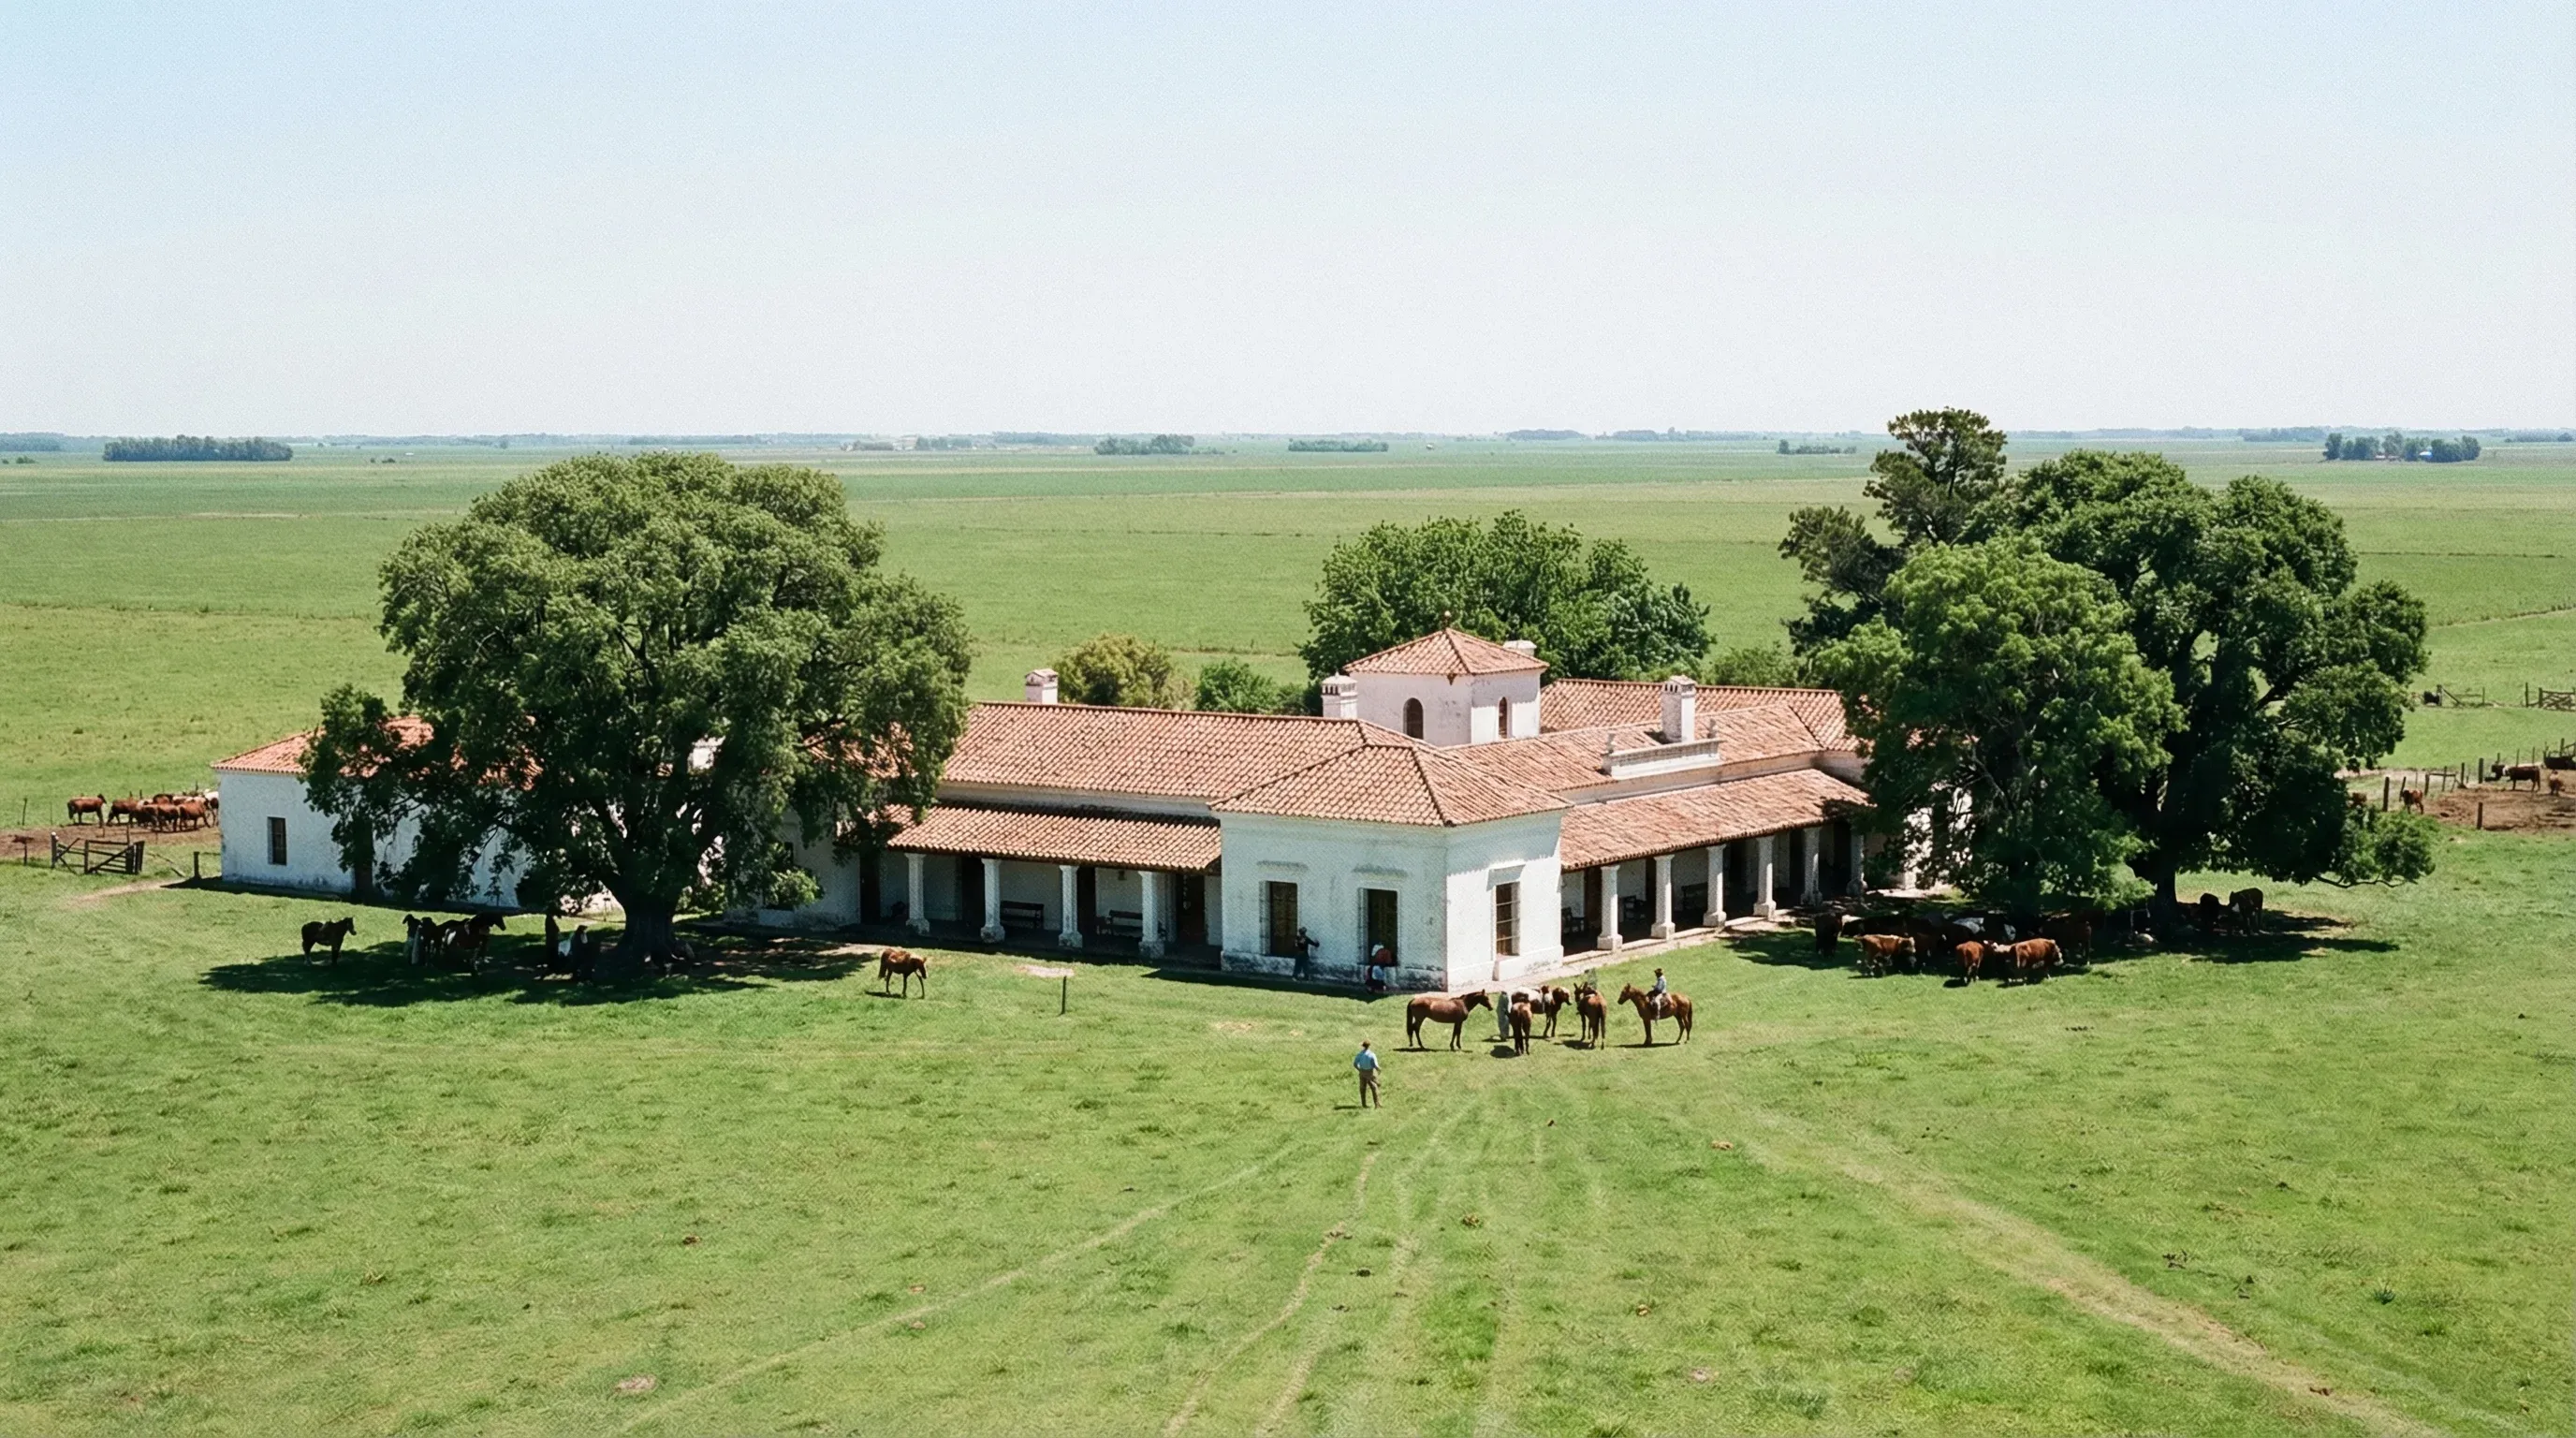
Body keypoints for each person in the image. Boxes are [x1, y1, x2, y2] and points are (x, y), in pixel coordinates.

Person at [1354, 1041, 1382, 1108]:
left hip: (1362, 1072)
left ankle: (1364, 1104)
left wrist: (1359, 1069)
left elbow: (1355, 1064)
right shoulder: (1372, 1054)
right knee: (1374, 1088)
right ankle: (1377, 1104)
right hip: (1370, 1073)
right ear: (1369, 1046)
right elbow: (1375, 1065)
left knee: (1363, 1088)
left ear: (1363, 1046)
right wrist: (1379, 1069)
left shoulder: (1360, 1054)